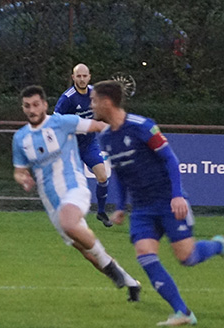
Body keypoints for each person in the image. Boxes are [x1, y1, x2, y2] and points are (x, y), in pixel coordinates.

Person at [90, 80, 224, 326]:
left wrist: (177, 196)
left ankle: (219, 246)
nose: (92, 105)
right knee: (145, 255)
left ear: (107, 102)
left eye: (94, 100)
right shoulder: (106, 138)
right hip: (142, 209)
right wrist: (121, 206)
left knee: (187, 257)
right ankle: (182, 312)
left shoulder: (142, 127)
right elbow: (120, 173)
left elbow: (171, 160)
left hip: (167, 202)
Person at [12, 85, 141, 302]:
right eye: (27, 106)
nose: (32, 109)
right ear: (23, 108)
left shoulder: (63, 123)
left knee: (70, 223)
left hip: (74, 189)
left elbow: (98, 125)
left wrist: (123, 137)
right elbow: (19, 170)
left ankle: (113, 270)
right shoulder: (20, 138)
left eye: (36, 104)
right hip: (52, 204)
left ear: (45, 104)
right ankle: (130, 282)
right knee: (87, 253)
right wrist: (23, 178)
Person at [54, 63, 113, 227]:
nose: (81, 79)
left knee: (102, 176)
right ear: (73, 77)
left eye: (84, 76)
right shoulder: (67, 98)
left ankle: (101, 212)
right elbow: (56, 121)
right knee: (69, 184)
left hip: (89, 144)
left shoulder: (95, 94)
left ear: (89, 77)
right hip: (70, 146)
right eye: (78, 76)